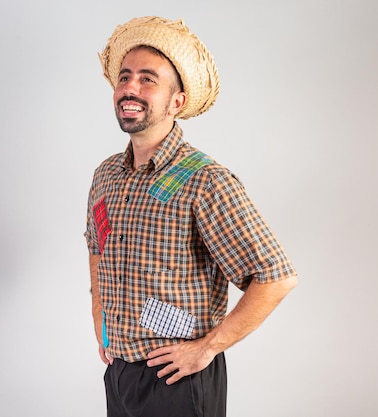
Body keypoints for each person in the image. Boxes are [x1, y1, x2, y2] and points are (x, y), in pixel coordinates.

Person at [84, 16, 298, 417]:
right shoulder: (106, 176)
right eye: (125, 77)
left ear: (176, 102)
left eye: (148, 79)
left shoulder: (205, 181)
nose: (130, 87)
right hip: (118, 371)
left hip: (178, 381)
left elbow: (276, 277)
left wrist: (206, 349)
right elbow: (97, 248)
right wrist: (101, 318)